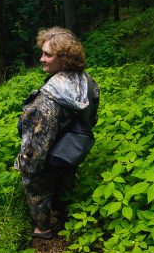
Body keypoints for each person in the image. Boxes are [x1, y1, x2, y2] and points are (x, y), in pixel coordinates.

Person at [14, 26, 100, 239]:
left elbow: (33, 152)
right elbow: (92, 117)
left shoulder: (45, 102)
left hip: (50, 154)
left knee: (36, 186)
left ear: (65, 59)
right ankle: (64, 212)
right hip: (70, 149)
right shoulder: (87, 82)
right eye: (42, 52)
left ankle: (43, 229)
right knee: (65, 177)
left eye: (48, 55)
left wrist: (25, 167)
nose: (42, 59)